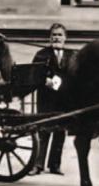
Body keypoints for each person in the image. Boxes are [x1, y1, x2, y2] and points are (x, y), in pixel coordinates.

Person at [30, 23, 71, 175]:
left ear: (65, 38)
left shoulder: (71, 55)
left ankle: (55, 165)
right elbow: (34, 73)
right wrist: (45, 80)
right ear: (49, 38)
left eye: (60, 35)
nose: (56, 38)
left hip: (64, 98)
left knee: (60, 131)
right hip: (46, 97)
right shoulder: (41, 54)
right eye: (54, 35)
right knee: (44, 130)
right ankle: (38, 165)